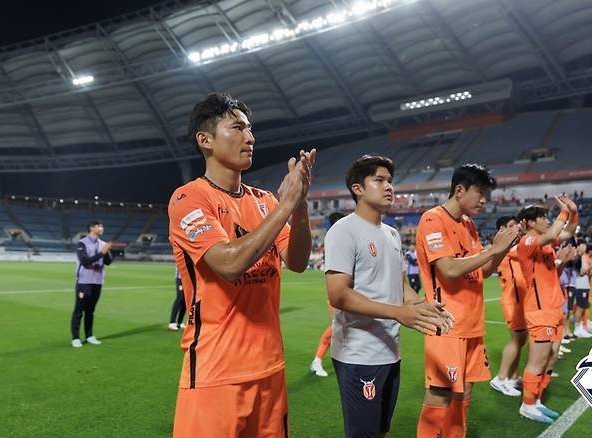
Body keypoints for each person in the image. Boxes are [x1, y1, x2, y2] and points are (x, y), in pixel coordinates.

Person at [168, 92, 315, 437]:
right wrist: (287, 203)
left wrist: (300, 206)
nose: (250, 138)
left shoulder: (264, 201)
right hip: (215, 374)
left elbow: (297, 261)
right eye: (237, 128)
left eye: (250, 130)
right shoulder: (188, 198)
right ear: (204, 140)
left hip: (270, 368)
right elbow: (229, 264)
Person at [325, 155, 453, 438]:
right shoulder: (343, 230)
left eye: (390, 181)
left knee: (381, 431)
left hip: (389, 351)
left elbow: (400, 284)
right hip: (358, 354)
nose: (389, 187)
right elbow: (338, 294)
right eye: (379, 180)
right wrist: (397, 313)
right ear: (357, 188)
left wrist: (422, 307)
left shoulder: (392, 234)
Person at [415, 164, 522, 438]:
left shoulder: (469, 224)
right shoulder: (432, 219)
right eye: (480, 192)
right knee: (440, 395)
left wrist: (501, 251)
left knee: (465, 391)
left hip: (472, 324)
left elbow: (482, 271)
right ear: (459, 190)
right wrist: (493, 250)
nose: (484, 199)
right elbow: (449, 270)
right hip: (447, 324)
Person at [515, 197, 578, 424]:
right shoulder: (528, 241)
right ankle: (527, 405)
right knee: (537, 361)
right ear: (531, 222)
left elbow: (568, 232)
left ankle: (537, 400)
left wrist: (573, 212)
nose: (546, 219)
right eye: (542, 217)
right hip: (539, 310)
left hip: (553, 307)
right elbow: (553, 233)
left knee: (551, 358)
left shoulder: (546, 245)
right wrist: (562, 214)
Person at [489, 216, 527, 397]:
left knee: (520, 341)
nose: (517, 228)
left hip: (520, 299)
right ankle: (501, 378)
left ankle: (512, 376)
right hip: (513, 300)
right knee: (516, 340)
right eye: (512, 226)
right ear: (502, 230)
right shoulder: (506, 248)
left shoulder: (513, 247)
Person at [310, 211, 345, 378]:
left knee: (344, 327)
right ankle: (317, 361)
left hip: (349, 290)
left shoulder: (339, 240)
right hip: (338, 291)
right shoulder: (334, 241)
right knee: (335, 327)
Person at [70, 219, 113, 348]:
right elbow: (84, 261)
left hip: (97, 282)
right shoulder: (82, 243)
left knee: (90, 311)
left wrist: (107, 253)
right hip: (84, 282)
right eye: (99, 226)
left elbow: (108, 262)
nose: (101, 228)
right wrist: (102, 253)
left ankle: (89, 335)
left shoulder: (102, 244)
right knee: (79, 310)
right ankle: (76, 337)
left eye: (102, 226)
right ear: (91, 228)